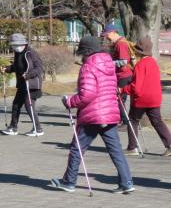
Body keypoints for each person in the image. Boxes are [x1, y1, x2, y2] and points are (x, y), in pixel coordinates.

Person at [50, 36, 134, 194]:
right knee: (116, 150)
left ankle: (69, 182)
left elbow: (87, 95)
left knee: (77, 149)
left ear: (86, 52)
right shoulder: (109, 63)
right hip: (109, 113)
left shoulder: (88, 66)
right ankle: (126, 182)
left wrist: (69, 101)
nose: (81, 57)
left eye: (81, 53)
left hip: (93, 115)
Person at [119, 37, 171, 157]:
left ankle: (132, 147)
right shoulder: (153, 62)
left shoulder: (140, 65)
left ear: (138, 51)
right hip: (155, 97)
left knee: (133, 120)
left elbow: (136, 87)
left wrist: (122, 89)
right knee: (157, 121)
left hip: (142, 98)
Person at [1, 33, 44, 137]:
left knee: (29, 106)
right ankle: (13, 127)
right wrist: (7, 69)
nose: (15, 47)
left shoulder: (31, 53)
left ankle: (38, 129)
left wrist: (29, 75)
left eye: (17, 45)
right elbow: (17, 66)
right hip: (22, 84)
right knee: (16, 104)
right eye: (14, 45)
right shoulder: (17, 53)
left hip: (32, 85)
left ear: (23, 44)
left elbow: (39, 68)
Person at [101, 23, 135, 122]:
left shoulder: (121, 44)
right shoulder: (118, 43)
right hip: (122, 75)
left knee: (119, 99)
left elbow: (124, 61)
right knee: (118, 99)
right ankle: (121, 119)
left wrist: (109, 63)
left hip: (124, 75)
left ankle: (125, 121)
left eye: (107, 34)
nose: (106, 37)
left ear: (112, 32)